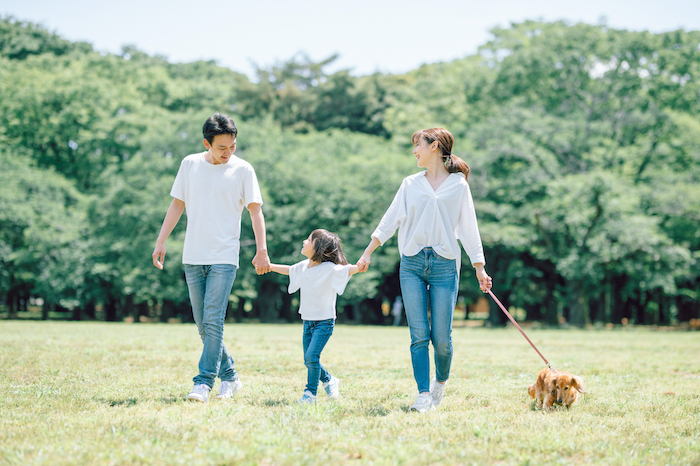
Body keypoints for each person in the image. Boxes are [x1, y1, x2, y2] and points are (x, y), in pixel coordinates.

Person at [357, 128, 492, 413]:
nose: (414, 151)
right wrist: (368, 252)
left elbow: (469, 228)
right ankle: (422, 394)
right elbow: (389, 219)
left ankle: (439, 383)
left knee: (442, 339)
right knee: (419, 334)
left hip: (445, 265)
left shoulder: (458, 185)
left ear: (434, 146)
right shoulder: (410, 184)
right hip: (412, 263)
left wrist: (479, 267)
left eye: (417, 145)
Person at [152, 113, 271, 403]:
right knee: (203, 324)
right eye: (221, 148)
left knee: (214, 319)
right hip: (193, 255)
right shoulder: (190, 164)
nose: (228, 152)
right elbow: (177, 204)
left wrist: (262, 249)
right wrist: (161, 241)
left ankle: (203, 382)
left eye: (232, 146)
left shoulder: (243, 170)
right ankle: (230, 377)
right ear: (207, 143)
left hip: (224, 256)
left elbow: (255, 211)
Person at [268, 229, 361, 404]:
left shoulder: (330, 269)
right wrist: (270, 266)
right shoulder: (303, 266)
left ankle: (310, 394)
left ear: (319, 247)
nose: (304, 241)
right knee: (309, 359)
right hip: (308, 321)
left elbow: (347, 270)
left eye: (309, 239)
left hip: (324, 323)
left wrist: (360, 267)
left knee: (312, 357)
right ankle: (329, 380)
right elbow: (290, 270)